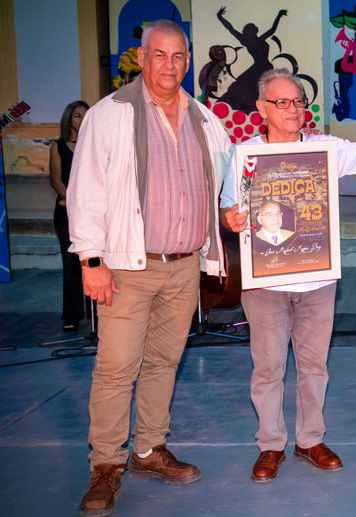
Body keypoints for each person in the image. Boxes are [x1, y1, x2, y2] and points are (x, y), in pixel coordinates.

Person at [68, 20, 231, 516]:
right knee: (116, 368)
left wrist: (231, 219)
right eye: (159, 54)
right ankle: (105, 465)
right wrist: (91, 260)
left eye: (178, 56)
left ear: (188, 60)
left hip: (184, 267)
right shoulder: (110, 115)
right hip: (127, 267)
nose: (169, 65)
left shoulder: (206, 120)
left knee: (163, 363)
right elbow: (85, 191)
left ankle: (148, 450)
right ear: (142, 57)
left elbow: (224, 189)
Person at [221, 68, 356, 483]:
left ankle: (310, 440)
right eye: (282, 102)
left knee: (314, 366)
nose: (293, 109)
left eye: (299, 101)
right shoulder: (244, 156)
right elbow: (229, 208)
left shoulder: (325, 150)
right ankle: (270, 444)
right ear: (261, 108)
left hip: (318, 280)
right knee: (268, 367)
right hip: (265, 283)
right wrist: (231, 219)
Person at [49, 100, 90, 331]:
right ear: (69, 120)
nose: (82, 119)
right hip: (67, 212)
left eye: (86, 115)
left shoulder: (94, 144)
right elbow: (55, 180)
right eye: (77, 116)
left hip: (92, 212)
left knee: (93, 262)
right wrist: (74, 201)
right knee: (71, 262)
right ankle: (72, 316)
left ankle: (97, 314)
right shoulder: (58, 147)